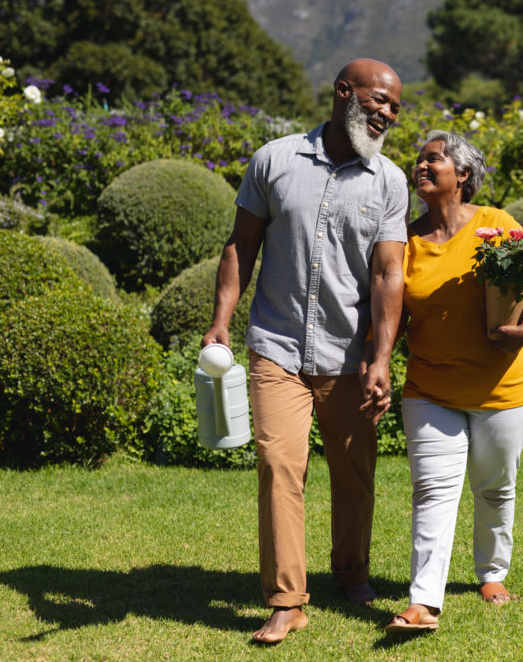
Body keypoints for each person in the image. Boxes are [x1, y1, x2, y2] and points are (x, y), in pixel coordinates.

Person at [201, 58, 408, 644]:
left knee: (353, 473)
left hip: (349, 353)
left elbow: (390, 273)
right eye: (380, 101)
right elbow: (241, 246)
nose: (388, 114)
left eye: (396, 108)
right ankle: (287, 599)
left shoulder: (389, 180)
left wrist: (381, 358)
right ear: (345, 93)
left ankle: (351, 570)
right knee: (278, 468)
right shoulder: (275, 160)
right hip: (278, 346)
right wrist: (221, 322)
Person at [378, 130, 523, 633]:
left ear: (464, 175)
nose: (422, 166)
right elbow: (390, 313)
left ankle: (491, 572)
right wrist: (378, 361)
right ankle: (423, 603)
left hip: (504, 389)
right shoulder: (406, 242)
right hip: (431, 389)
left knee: (494, 486)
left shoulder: (496, 225)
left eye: (434, 159)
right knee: (432, 490)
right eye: (420, 160)